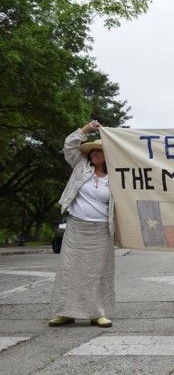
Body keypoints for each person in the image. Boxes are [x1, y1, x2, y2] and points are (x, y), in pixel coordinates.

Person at [48, 120, 116, 328]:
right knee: (69, 271)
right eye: (93, 151)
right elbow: (69, 145)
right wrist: (86, 129)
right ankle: (65, 312)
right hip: (77, 227)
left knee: (97, 273)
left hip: (101, 231)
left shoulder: (114, 177)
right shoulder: (80, 166)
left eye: (100, 151)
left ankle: (97, 313)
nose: (95, 154)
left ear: (106, 156)